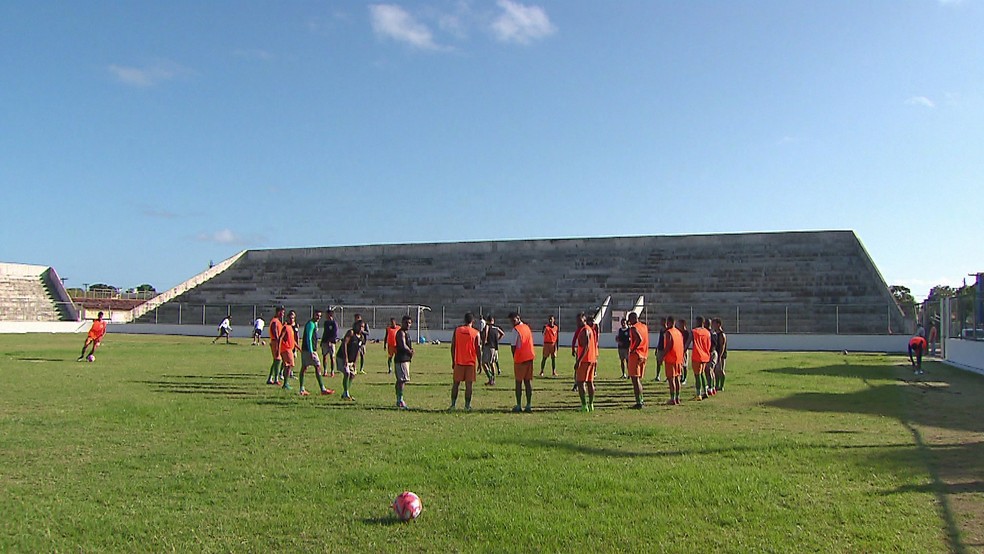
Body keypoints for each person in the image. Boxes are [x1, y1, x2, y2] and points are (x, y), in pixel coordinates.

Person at [450, 312, 482, 410]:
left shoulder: (457, 330)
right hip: (470, 363)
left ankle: (453, 405)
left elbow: (453, 346)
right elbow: (478, 349)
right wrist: (480, 363)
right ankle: (467, 406)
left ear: (464, 320)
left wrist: (453, 360)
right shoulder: (476, 333)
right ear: (473, 321)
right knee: (469, 385)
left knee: (456, 384)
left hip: (459, 362)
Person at [298, 310, 334, 396]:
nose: (318, 317)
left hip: (308, 350)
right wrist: (311, 351)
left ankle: (302, 389)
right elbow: (308, 338)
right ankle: (322, 389)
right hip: (308, 350)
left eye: (320, 316)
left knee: (305, 368)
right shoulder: (311, 324)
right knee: (316, 367)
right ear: (313, 315)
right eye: (317, 315)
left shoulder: (314, 324)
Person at [509, 312, 536, 412]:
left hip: (520, 358)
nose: (512, 322)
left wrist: (515, 357)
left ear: (518, 318)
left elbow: (513, 346)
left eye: (513, 320)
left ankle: (519, 405)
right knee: (528, 382)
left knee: (519, 382)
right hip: (529, 357)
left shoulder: (515, 330)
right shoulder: (526, 327)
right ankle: (529, 405)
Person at [574, 314, 598, 412]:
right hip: (591, 359)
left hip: (585, 360)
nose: (578, 323)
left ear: (584, 320)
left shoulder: (585, 330)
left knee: (580, 382)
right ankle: (591, 404)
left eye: (580, 321)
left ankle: (584, 405)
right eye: (577, 321)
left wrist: (578, 361)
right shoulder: (589, 329)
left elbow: (586, 346)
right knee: (589, 382)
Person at [337, 320, 364, 400]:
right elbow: (344, 344)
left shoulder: (361, 337)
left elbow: (358, 350)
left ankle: (345, 391)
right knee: (347, 373)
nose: (360, 328)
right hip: (342, 357)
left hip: (351, 360)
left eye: (362, 327)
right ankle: (346, 393)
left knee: (352, 375)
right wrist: (345, 358)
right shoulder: (351, 333)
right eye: (359, 326)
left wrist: (355, 362)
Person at [660, 316, 684, 405]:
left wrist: (662, 356)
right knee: (677, 378)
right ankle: (677, 398)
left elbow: (669, 345)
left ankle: (672, 399)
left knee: (671, 379)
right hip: (678, 358)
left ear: (669, 322)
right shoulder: (678, 332)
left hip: (671, 358)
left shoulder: (669, 332)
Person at [627, 312, 649, 408]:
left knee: (635, 380)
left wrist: (633, 349)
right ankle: (641, 400)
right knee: (638, 380)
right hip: (644, 355)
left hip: (636, 355)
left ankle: (639, 402)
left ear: (631, 319)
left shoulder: (633, 328)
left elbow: (639, 339)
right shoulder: (644, 326)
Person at [691, 316, 713, 400]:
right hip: (705, 355)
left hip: (697, 355)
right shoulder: (707, 332)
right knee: (702, 373)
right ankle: (705, 391)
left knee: (697, 375)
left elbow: (689, 341)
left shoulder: (695, 331)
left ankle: (698, 394)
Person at [394, 316, 414, 409]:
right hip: (401, 359)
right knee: (402, 380)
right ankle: (400, 400)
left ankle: (399, 399)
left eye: (409, 323)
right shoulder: (400, 333)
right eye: (406, 322)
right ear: (402, 322)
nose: (408, 324)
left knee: (402, 380)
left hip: (405, 359)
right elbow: (402, 345)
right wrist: (410, 351)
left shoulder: (406, 333)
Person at [481, 314, 504, 386]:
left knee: (483, 363)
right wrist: (497, 339)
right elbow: (502, 333)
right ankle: (493, 380)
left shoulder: (487, 326)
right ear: (493, 321)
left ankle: (490, 377)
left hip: (488, 346)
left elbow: (486, 332)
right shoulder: (496, 328)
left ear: (487, 321)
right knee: (492, 363)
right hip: (495, 347)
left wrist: (484, 342)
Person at [278, 311, 299, 390]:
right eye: (290, 318)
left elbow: (293, 340)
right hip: (286, 349)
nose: (291, 320)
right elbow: (280, 338)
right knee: (289, 365)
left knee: (289, 365)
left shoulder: (291, 327)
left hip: (290, 348)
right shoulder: (286, 327)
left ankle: (285, 382)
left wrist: (298, 348)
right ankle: (285, 383)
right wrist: (278, 349)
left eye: (293, 318)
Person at [266, 307, 286, 385]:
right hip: (275, 342)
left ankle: (270, 378)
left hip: (276, 342)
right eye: (282, 312)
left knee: (276, 360)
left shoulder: (278, 322)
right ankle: (276, 379)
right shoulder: (275, 321)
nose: (283, 314)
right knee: (278, 360)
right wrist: (278, 342)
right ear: (278, 312)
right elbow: (275, 333)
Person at [320, 308, 339, 377]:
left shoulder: (334, 323)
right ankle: (325, 371)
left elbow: (335, 334)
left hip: (331, 343)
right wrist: (322, 341)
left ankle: (332, 371)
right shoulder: (326, 323)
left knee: (332, 357)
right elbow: (325, 333)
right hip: (325, 342)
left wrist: (331, 341)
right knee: (324, 356)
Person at [712, 318, 728, 391]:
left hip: (721, 355)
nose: (713, 326)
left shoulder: (722, 335)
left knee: (721, 370)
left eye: (714, 324)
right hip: (716, 354)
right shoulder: (715, 334)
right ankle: (717, 385)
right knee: (715, 371)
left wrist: (720, 356)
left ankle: (721, 386)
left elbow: (722, 346)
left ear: (718, 324)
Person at [676, 319, 691, 386]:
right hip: (679, 350)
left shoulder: (686, 332)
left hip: (684, 350)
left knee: (685, 365)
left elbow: (688, 342)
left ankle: (685, 378)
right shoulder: (678, 332)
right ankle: (681, 377)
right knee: (680, 364)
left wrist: (684, 349)